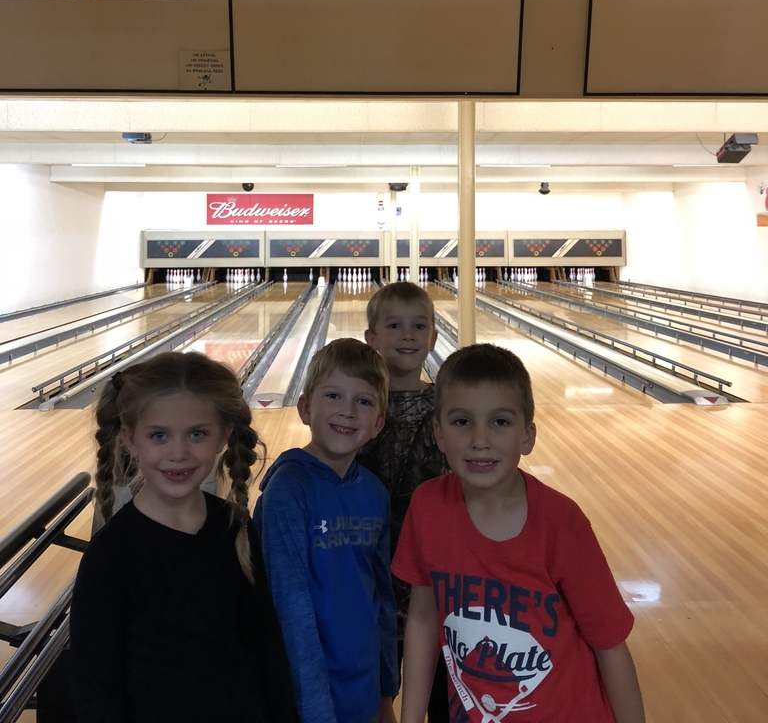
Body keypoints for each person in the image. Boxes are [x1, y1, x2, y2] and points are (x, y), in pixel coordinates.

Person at [393, 344, 645, 723]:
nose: (480, 439)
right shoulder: (427, 508)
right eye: (462, 421)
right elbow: (424, 619)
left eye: (500, 422)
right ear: (439, 433)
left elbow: (609, 645)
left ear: (528, 436)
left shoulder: (562, 524)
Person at [70, 351, 297, 723]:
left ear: (223, 435)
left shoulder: (233, 526)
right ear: (129, 439)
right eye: (159, 435)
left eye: (197, 434)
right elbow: (95, 688)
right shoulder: (111, 554)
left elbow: (266, 646)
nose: (179, 453)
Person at [253, 338, 398, 723]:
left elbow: (381, 597)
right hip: (304, 702)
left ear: (378, 422)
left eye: (363, 402)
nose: (347, 412)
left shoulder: (373, 492)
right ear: (304, 408)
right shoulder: (288, 489)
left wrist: (387, 693)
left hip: (364, 695)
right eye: (333, 395)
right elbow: (291, 609)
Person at [357, 280, 450, 722]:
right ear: (372, 339)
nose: (408, 335)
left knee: (443, 690)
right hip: (373, 576)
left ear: (433, 337)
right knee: (379, 697)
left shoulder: (446, 407)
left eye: (419, 326)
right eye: (394, 325)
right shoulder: (357, 409)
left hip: (433, 576)